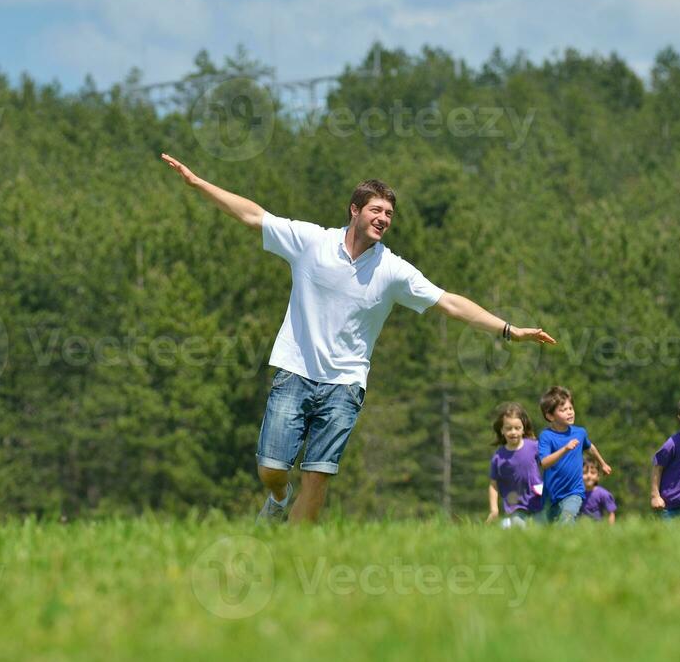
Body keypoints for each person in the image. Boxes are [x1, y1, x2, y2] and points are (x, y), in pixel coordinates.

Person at [161, 154, 556, 524]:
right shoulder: (311, 242)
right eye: (376, 210)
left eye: (389, 214)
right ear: (355, 210)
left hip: (345, 387)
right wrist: (197, 183)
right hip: (295, 371)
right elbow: (253, 215)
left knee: (318, 476)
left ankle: (295, 555)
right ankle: (279, 498)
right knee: (272, 469)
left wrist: (508, 330)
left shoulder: (393, 270)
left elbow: (449, 303)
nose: (383, 219)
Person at [535, 386, 612, 524]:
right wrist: (565, 449)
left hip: (574, 491)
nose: (569, 413)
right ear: (550, 416)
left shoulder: (580, 432)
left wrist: (603, 463)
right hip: (551, 494)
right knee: (548, 529)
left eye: (570, 408)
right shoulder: (546, 436)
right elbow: (544, 462)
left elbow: (590, 447)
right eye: (563, 410)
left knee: (567, 518)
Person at [487, 403, 542, 528]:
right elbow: (493, 485)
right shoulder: (499, 457)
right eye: (508, 428)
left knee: (542, 532)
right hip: (516, 505)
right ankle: (506, 525)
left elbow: (551, 464)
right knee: (520, 531)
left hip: (538, 501)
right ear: (502, 430)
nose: (513, 432)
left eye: (517, 428)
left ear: (523, 429)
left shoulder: (534, 447)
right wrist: (494, 509)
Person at [581, 460, 617, 524]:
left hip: (597, 528)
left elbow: (611, 513)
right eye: (585, 473)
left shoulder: (603, 494)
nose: (589, 476)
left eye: (592, 473)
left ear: (598, 477)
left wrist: (610, 530)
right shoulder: (577, 494)